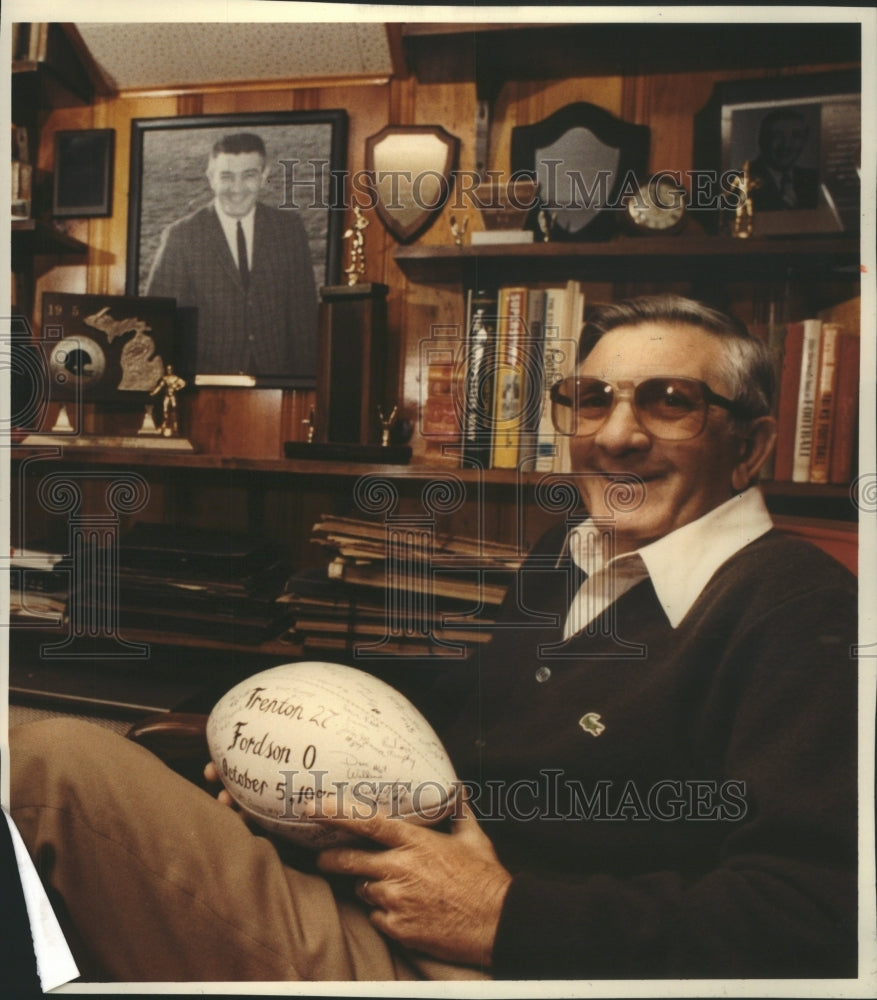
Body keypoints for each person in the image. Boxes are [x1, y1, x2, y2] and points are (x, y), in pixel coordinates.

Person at [8, 295, 858, 982]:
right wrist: (285, 784)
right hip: (396, 899)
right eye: (592, 399)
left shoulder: (801, 611)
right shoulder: (571, 553)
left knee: (50, 771)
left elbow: (814, 920)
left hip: (487, 965)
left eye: (670, 402)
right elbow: (467, 723)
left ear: (748, 449)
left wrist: (503, 914)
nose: (615, 434)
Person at [145, 132, 318, 378]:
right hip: (206, 385)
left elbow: (305, 320)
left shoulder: (289, 230)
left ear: (264, 175)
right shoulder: (181, 236)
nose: (237, 189)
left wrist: (306, 389)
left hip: (277, 382)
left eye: (248, 175)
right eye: (227, 176)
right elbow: (160, 321)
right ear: (211, 177)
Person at [748, 107, 820, 212]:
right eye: (778, 135)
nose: (786, 145)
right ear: (762, 139)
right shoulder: (740, 183)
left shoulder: (813, 179)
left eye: (796, 136)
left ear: (804, 140)